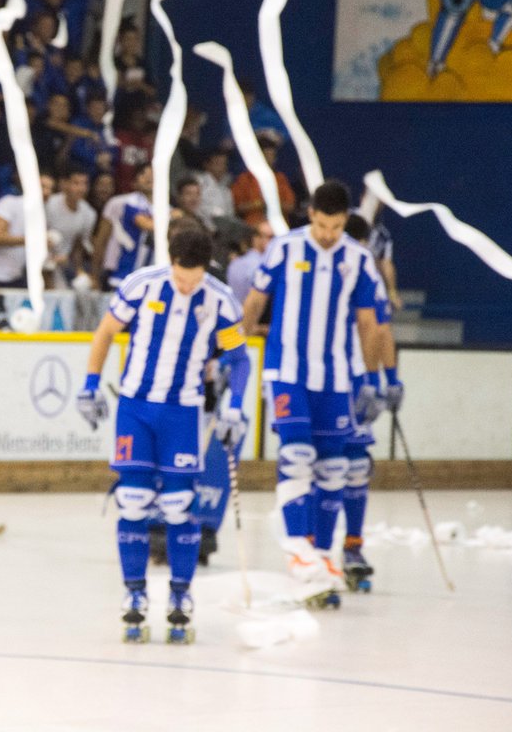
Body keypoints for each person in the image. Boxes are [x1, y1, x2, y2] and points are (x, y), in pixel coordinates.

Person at [76, 225, 251, 642]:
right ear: (170, 262)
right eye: (179, 276)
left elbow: (239, 361)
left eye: (193, 279)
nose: (185, 285)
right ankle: (134, 595)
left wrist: (234, 405)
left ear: (205, 269)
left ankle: (180, 596)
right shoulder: (142, 285)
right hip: (135, 408)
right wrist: (89, 384)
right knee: (132, 500)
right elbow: (105, 333)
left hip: (183, 412)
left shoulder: (221, 301)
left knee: (178, 504)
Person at [239, 180, 384, 596]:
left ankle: (322, 553)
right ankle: (297, 547)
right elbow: (255, 301)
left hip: (336, 377)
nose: (327, 235)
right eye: (322, 225)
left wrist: (371, 381)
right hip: (287, 371)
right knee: (297, 454)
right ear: (311, 216)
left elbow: (369, 323)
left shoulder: (358, 259)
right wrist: (236, 352)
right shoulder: (284, 248)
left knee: (334, 469)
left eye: (336, 227)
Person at [341, 214, 403, 591]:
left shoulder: (369, 278)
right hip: (328, 381)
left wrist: (389, 380)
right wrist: (387, 379)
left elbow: (381, 329)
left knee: (355, 466)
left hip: (356, 382)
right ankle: (315, 549)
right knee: (330, 466)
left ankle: (353, 545)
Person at [93, 163, 154, 290]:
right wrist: (95, 275)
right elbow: (101, 240)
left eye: (153, 173)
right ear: (134, 181)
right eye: (144, 173)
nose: (149, 177)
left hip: (148, 279)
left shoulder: (166, 208)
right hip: (119, 273)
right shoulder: (120, 203)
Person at [44, 165, 97, 288]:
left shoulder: (89, 214)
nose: (81, 189)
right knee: (54, 236)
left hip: (65, 265)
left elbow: (79, 245)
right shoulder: (49, 204)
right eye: (76, 183)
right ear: (64, 184)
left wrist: (78, 268)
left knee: (83, 284)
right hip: (40, 260)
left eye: (84, 184)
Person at [231, 132, 295, 226]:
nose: (269, 160)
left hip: (277, 227)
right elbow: (237, 207)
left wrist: (272, 204)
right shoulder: (245, 178)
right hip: (253, 228)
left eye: (272, 156)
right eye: (266, 156)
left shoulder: (280, 178)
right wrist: (259, 204)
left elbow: (290, 206)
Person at [225, 220, 272, 301]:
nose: (274, 241)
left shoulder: (235, 263)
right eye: (271, 237)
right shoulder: (263, 266)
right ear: (256, 238)